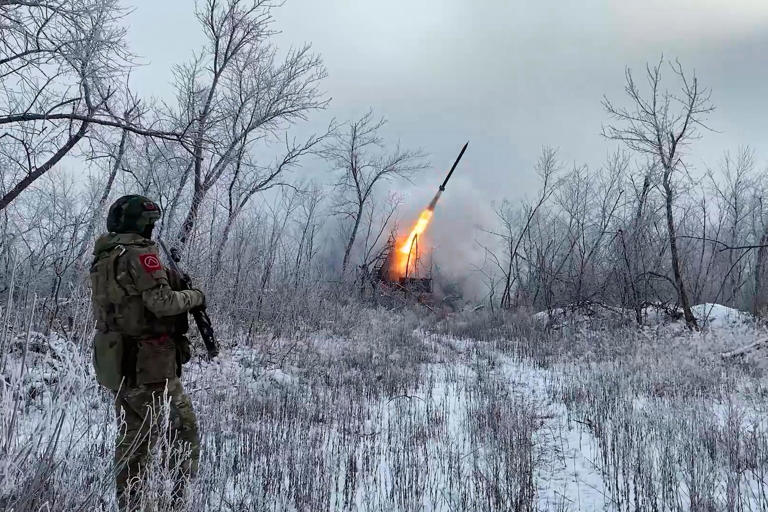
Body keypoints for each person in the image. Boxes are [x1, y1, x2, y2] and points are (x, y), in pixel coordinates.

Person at [89, 195, 205, 511]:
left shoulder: (104, 255)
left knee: (132, 437)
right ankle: (178, 502)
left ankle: (131, 504)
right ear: (141, 224)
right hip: (149, 364)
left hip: (116, 360)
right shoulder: (140, 254)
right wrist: (194, 296)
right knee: (183, 431)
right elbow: (162, 303)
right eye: (149, 222)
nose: (152, 228)